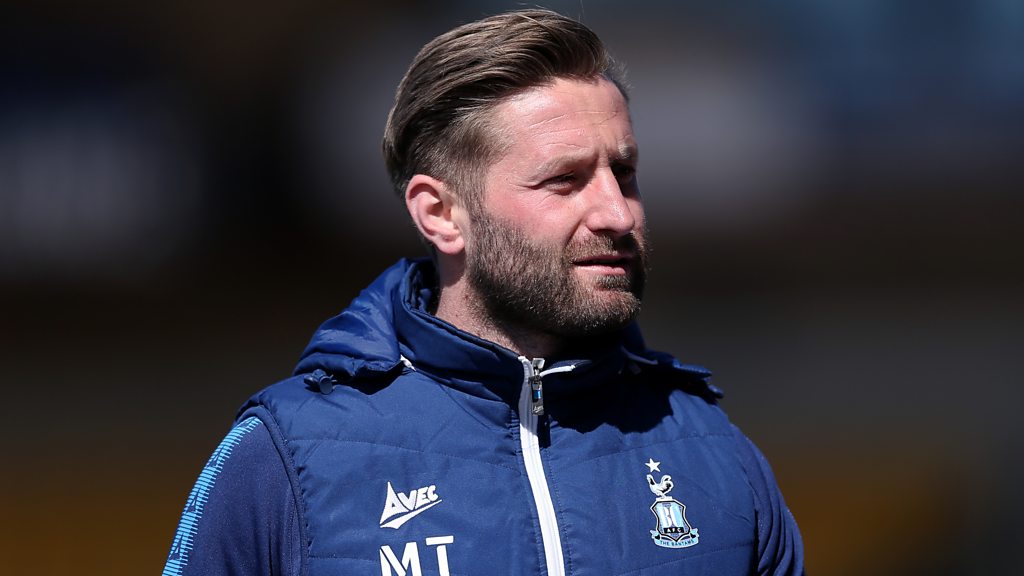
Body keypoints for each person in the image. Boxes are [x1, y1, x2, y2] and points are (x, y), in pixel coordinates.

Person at [163, 8, 804, 576]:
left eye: (624, 171)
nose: (617, 212)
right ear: (441, 214)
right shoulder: (286, 457)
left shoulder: (714, 452)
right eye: (564, 179)